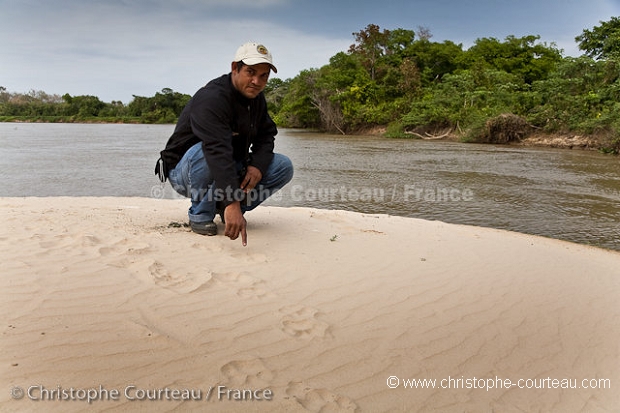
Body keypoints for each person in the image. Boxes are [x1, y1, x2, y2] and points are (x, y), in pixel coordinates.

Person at [155, 42, 293, 246]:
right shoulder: (212, 98)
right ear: (235, 68)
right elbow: (217, 151)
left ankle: (223, 208)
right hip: (186, 171)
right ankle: (201, 214)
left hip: (227, 163)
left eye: (264, 76)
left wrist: (257, 165)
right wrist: (233, 201)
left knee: (283, 166)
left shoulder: (256, 98)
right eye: (250, 72)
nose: (257, 81)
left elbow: (267, 135)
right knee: (207, 151)